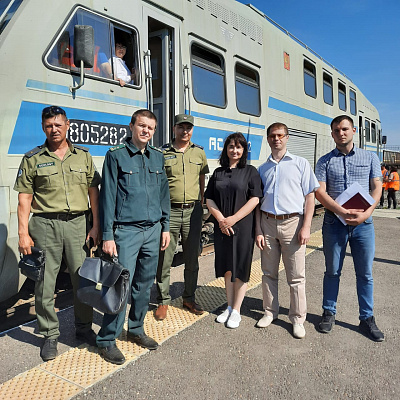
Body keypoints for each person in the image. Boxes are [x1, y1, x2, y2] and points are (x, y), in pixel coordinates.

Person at [14, 106, 101, 361]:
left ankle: (84, 329)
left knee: (82, 279)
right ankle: (50, 334)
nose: (54, 129)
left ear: (67, 125)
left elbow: (92, 193)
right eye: (49, 125)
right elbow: (24, 199)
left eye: (58, 124)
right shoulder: (33, 158)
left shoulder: (83, 156)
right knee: (44, 283)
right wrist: (23, 234)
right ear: (43, 127)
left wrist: (95, 225)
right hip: (44, 225)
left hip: (78, 224)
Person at [97, 109, 170, 365]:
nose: (146, 131)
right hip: (125, 232)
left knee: (144, 284)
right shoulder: (116, 156)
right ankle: (107, 339)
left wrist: (165, 226)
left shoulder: (158, 158)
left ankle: (136, 328)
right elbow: (107, 198)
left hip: (152, 231)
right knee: (119, 287)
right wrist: (107, 235)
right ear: (131, 126)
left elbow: (164, 196)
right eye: (141, 126)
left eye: (150, 128)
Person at [315, 115, 384, 342]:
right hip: (335, 224)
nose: (341, 133)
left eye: (345, 129)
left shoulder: (370, 157)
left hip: (364, 224)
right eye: (336, 130)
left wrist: (367, 213)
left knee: (365, 273)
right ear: (332, 134)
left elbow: (377, 188)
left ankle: (367, 318)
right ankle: (329, 312)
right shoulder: (324, 161)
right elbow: (320, 193)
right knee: (332, 271)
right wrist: (341, 212)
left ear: (353, 130)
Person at [255, 123, 319, 339]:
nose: (276, 139)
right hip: (267, 223)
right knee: (268, 273)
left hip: (293, 223)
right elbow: (257, 202)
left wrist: (306, 226)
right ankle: (269, 312)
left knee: (296, 276)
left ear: (287, 137)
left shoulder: (300, 164)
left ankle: (298, 319)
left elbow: (310, 197)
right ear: (268, 138)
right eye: (272, 136)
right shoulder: (262, 169)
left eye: (280, 135)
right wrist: (258, 230)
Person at [205, 133, 263, 329]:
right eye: (231, 147)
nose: (235, 150)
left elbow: (255, 199)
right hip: (223, 228)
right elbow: (209, 198)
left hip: (243, 228)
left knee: (240, 269)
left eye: (239, 147)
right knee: (227, 268)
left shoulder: (250, 172)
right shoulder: (218, 173)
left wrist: (233, 219)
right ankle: (228, 307)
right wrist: (221, 219)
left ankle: (237, 310)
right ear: (226, 149)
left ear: (244, 150)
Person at [155, 114, 209, 320]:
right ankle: (163, 301)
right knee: (164, 258)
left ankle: (189, 297)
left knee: (191, 258)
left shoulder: (199, 153)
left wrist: (202, 203)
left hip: (193, 211)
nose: (185, 131)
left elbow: (201, 178)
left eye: (189, 128)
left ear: (192, 130)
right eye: (181, 127)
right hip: (169, 211)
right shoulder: (162, 153)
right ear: (174, 128)